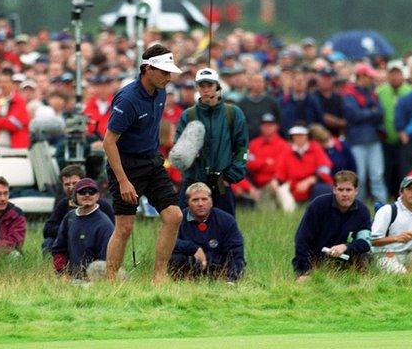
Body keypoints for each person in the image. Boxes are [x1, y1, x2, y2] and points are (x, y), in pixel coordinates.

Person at [103, 44, 184, 283]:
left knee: (174, 216)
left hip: (152, 161)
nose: (169, 77)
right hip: (125, 166)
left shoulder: (161, 92)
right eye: (164, 72)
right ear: (148, 69)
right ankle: (110, 281)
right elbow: (109, 143)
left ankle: (159, 277)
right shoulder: (128, 99)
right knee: (125, 227)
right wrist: (124, 181)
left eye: (170, 73)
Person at [175, 67, 249, 217]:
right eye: (202, 85)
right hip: (193, 183)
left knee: (226, 230)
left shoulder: (233, 113)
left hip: (222, 184)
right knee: (184, 230)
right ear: (197, 87)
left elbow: (242, 149)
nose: (206, 89)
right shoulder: (188, 115)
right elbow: (179, 151)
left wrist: (231, 177)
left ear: (217, 86)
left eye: (210, 85)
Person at [292, 170, 372, 281]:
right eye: (340, 189)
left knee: (366, 258)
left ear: (356, 191)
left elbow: (365, 243)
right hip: (317, 261)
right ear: (334, 189)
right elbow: (302, 240)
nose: (344, 194)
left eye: (348, 190)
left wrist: (345, 247)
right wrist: (303, 271)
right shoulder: (318, 206)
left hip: (347, 261)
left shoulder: (362, 211)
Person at [168, 183, 245, 282]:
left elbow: (236, 253)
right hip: (189, 268)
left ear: (211, 201)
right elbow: (167, 242)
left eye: (204, 199)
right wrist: (193, 248)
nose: (200, 204)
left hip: (218, 269)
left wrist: (232, 280)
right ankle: (181, 284)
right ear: (187, 202)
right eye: (195, 200)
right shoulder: (178, 219)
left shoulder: (226, 220)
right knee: (174, 258)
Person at [50, 178, 114, 279]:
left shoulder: (105, 224)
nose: (87, 195)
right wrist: (61, 273)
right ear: (75, 196)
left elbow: (106, 260)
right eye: (82, 192)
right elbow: (58, 249)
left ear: (98, 196)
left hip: (96, 279)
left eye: (91, 192)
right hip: (70, 277)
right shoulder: (69, 217)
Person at [42, 165, 114, 253]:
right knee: (48, 242)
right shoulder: (63, 204)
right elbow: (48, 228)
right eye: (67, 184)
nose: (71, 187)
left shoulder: (102, 205)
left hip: (94, 243)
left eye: (74, 183)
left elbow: (113, 230)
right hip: (68, 242)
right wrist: (70, 231)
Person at [342, 62, 387, 202]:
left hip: (373, 139)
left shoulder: (372, 93)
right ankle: (358, 206)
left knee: (377, 175)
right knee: (359, 177)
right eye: (368, 76)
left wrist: (365, 112)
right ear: (361, 76)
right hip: (357, 140)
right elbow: (353, 115)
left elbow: (381, 112)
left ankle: (383, 206)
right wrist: (370, 112)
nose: (371, 79)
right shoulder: (349, 94)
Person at [272, 125, 333, 210]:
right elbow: (280, 172)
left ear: (307, 136)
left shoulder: (316, 149)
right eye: (296, 135)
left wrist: (310, 180)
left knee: (322, 189)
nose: (299, 138)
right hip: (294, 187)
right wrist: (276, 180)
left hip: (314, 186)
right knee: (280, 190)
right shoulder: (286, 152)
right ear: (292, 137)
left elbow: (325, 168)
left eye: (301, 135)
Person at [375, 60, 412, 196]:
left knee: (403, 169)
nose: (395, 77)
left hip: (404, 139)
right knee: (386, 169)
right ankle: (388, 195)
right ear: (387, 75)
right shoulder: (380, 91)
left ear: (403, 75)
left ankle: (403, 195)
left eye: (398, 74)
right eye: (392, 74)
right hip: (386, 139)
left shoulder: (410, 91)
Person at [0, 68, 31, 150]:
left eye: (6, 82)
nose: (3, 85)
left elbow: (14, 124)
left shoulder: (19, 101)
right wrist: (3, 122)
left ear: (12, 84)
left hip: (17, 146)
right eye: (0, 82)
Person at [237, 73, 281, 140]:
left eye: (260, 81)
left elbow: (278, 122)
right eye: (255, 81)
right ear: (249, 83)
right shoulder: (242, 103)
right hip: (248, 140)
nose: (258, 84)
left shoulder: (272, 102)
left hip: (267, 141)